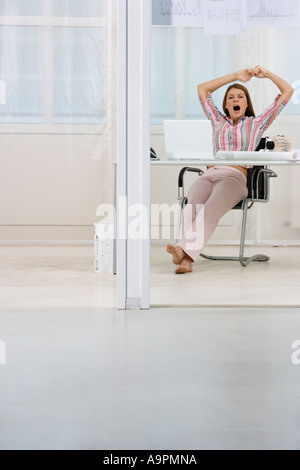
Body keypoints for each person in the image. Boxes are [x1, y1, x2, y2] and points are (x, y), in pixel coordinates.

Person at [167, 66, 294, 274]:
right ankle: (185, 258)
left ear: (246, 103)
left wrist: (267, 75)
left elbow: (288, 92)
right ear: (226, 105)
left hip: (234, 178)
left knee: (211, 208)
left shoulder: (256, 124)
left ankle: (184, 251)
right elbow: (202, 89)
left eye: (241, 97)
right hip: (209, 174)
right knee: (192, 202)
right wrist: (235, 76)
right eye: (231, 97)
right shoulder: (217, 121)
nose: (236, 100)